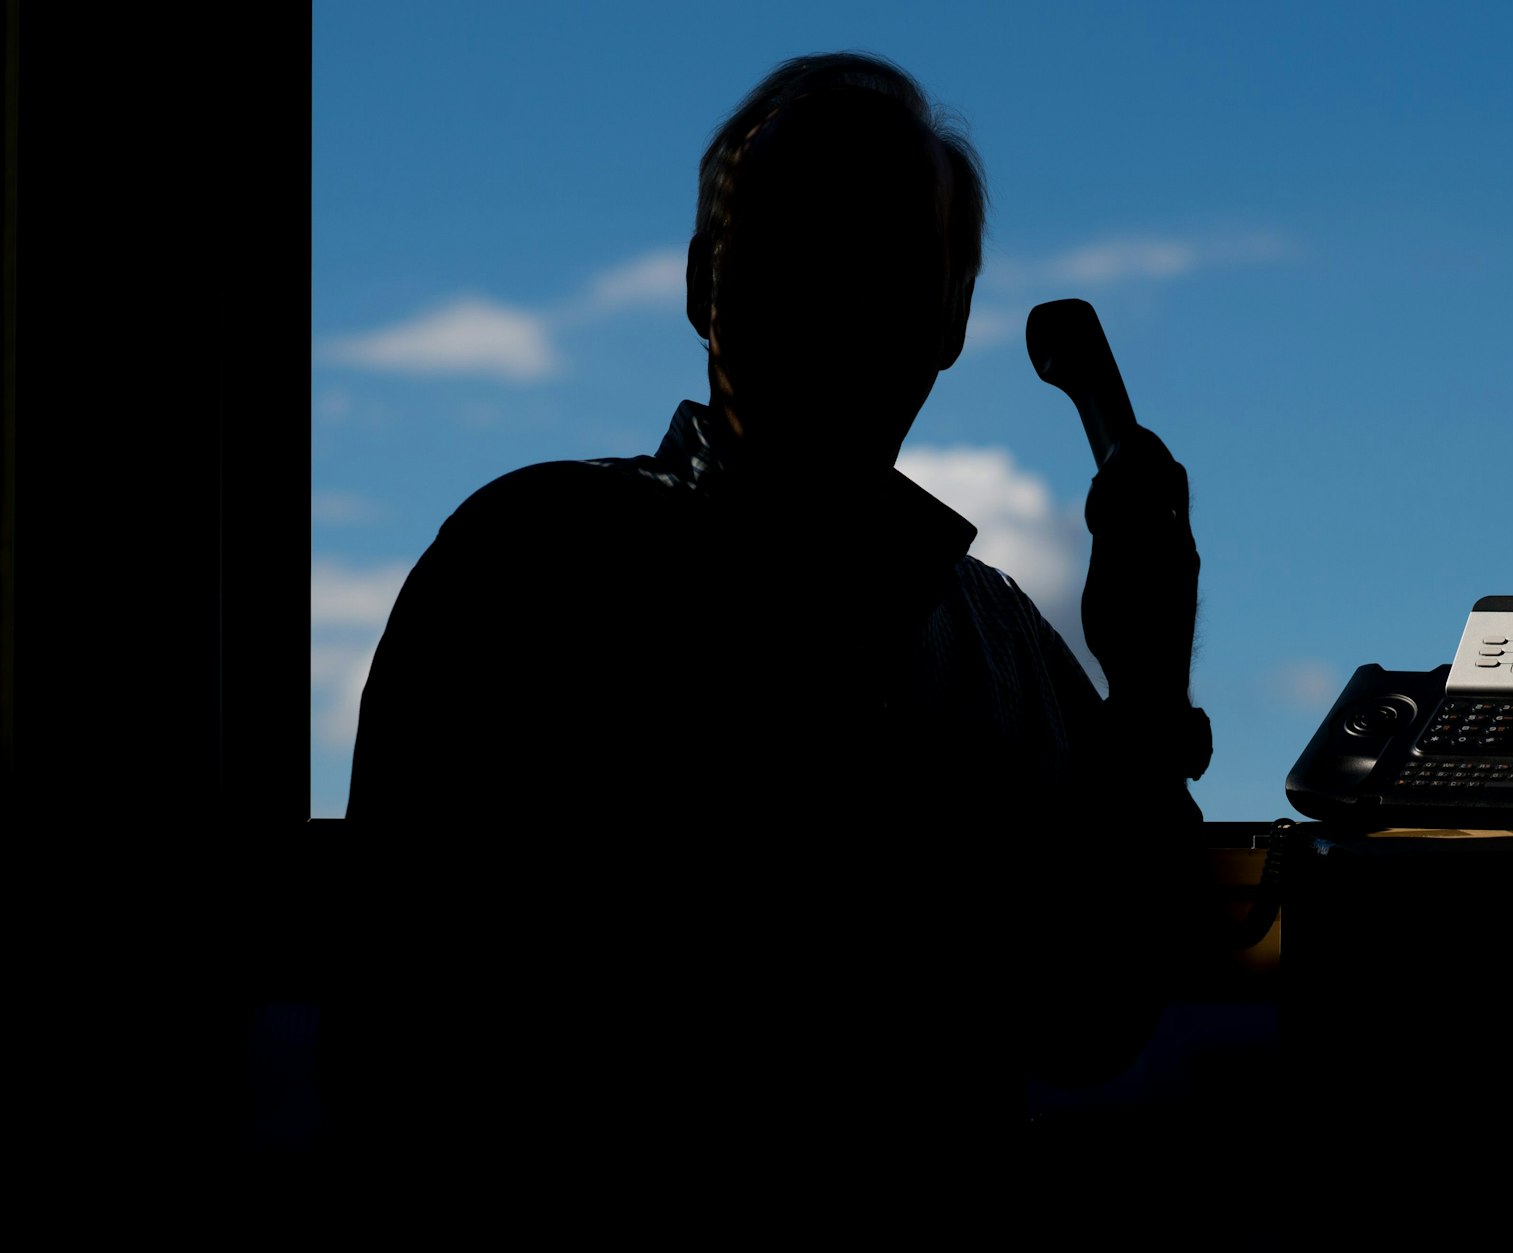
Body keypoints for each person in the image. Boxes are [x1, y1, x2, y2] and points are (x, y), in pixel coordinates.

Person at [336, 51, 1211, 1178]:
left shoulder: (1002, 639)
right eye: (798, 240)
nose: (841, 290)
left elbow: (1091, 1014)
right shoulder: (528, 566)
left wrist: (1142, 686)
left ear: (949, 320)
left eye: (889, 257)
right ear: (705, 282)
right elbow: (404, 1041)